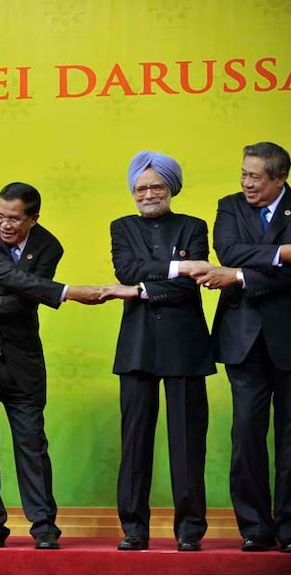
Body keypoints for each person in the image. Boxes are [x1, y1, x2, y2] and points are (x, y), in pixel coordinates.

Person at [0, 182, 106, 550]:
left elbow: (25, 299)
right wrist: (66, 292)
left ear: (33, 218)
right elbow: (11, 279)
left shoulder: (49, 246)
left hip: (21, 360)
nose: (4, 224)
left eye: (14, 218)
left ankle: (44, 526)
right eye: (0, 215)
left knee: (32, 443)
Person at [101, 151, 214, 552]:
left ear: (171, 188)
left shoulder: (194, 226)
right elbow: (125, 271)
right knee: (134, 442)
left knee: (187, 444)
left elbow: (193, 282)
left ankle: (189, 530)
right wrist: (177, 266)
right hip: (137, 346)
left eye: (156, 186)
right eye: (140, 188)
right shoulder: (121, 227)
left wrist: (144, 286)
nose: (148, 194)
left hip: (185, 346)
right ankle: (134, 528)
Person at [195, 142, 291, 553]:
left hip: (288, 334)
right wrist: (285, 253)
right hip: (243, 338)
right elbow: (229, 252)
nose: (246, 183)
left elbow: (235, 266)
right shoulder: (230, 205)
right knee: (247, 434)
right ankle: (254, 526)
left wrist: (239, 277)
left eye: (255, 177)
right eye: (243, 174)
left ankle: (289, 528)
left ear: (280, 178)